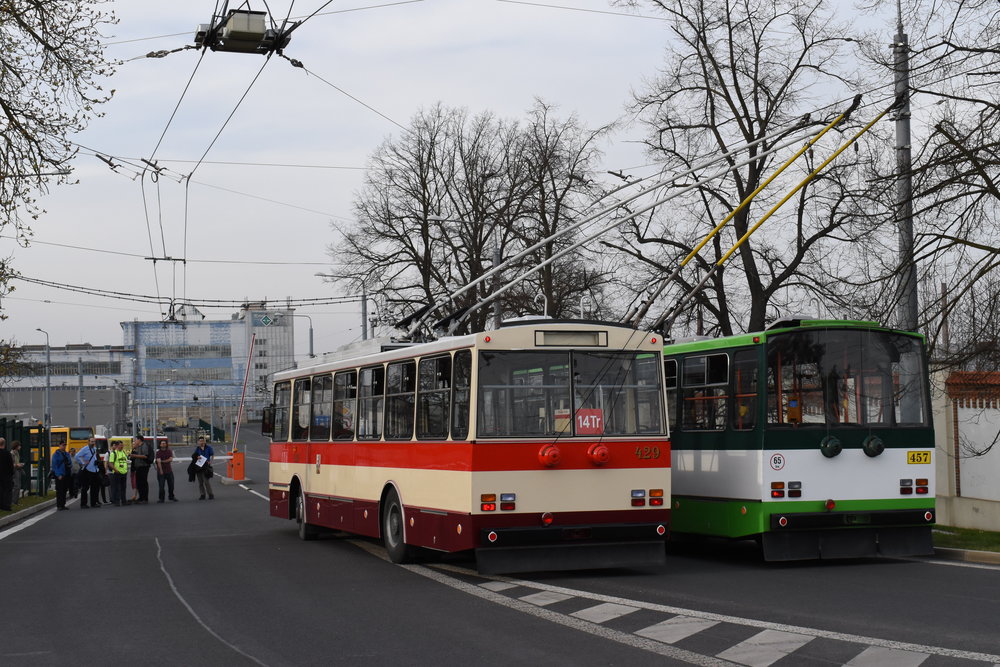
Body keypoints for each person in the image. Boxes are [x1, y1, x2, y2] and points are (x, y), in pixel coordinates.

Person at [74, 437, 102, 508]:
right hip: (87, 470)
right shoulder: (85, 449)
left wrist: (96, 462)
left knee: (95, 487)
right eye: (92, 442)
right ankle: (83, 504)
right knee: (85, 487)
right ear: (88, 442)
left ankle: (94, 503)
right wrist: (83, 462)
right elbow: (77, 456)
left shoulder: (94, 449)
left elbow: (94, 458)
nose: (93, 443)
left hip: (94, 470)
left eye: (94, 442)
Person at [130, 435, 153, 504]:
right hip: (138, 467)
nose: (135, 441)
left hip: (143, 466)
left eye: (136, 440)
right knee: (139, 483)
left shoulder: (144, 446)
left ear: (139, 440)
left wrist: (135, 456)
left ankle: (145, 498)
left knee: (143, 482)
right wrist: (133, 450)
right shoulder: (138, 447)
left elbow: (145, 456)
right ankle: (141, 497)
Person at [51, 441, 74, 510]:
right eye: (63, 445)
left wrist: (70, 465)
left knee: (64, 490)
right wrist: (58, 475)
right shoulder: (56, 454)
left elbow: (70, 462)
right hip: (60, 474)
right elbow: (55, 466)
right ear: (59, 445)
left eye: (65, 445)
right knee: (59, 490)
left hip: (67, 473)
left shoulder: (67, 454)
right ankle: (59, 505)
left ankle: (63, 504)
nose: (64, 446)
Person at [107, 441, 129, 507]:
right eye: (120, 445)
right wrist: (115, 470)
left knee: (123, 487)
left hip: (124, 473)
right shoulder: (113, 453)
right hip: (117, 473)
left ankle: (124, 501)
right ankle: (117, 501)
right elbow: (110, 463)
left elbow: (125, 461)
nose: (122, 446)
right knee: (117, 488)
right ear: (116, 446)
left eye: (122, 445)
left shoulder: (123, 452)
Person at [192, 436, 214, 500]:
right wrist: (197, 457)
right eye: (200, 441)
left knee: (206, 481)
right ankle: (202, 494)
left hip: (206, 466)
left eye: (203, 441)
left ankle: (210, 494)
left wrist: (210, 461)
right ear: (198, 442)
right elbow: (194, 455)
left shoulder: (209, 448)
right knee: (200, 482)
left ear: (205, 441)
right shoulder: (197, 449)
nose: (201, 442)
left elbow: (212, 455)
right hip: (199, 466)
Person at [0, 438, 13, 512]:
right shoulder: (7, 453)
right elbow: (10, 465)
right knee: (7, 491)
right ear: (4, 444)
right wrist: (11, 473)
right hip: (6, 476)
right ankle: (6, 506)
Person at [10, 440, 24, 506]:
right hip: (14, 470)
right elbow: (11, 464)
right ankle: (13, 501)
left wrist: (19, 464)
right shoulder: (12, 453)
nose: (20, 447)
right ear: (16, 446)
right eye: (19, 446)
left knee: (18, 486)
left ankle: (16, 501)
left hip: (18, 470)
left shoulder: (17, 453)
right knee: (16, 486)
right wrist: (17, 465)